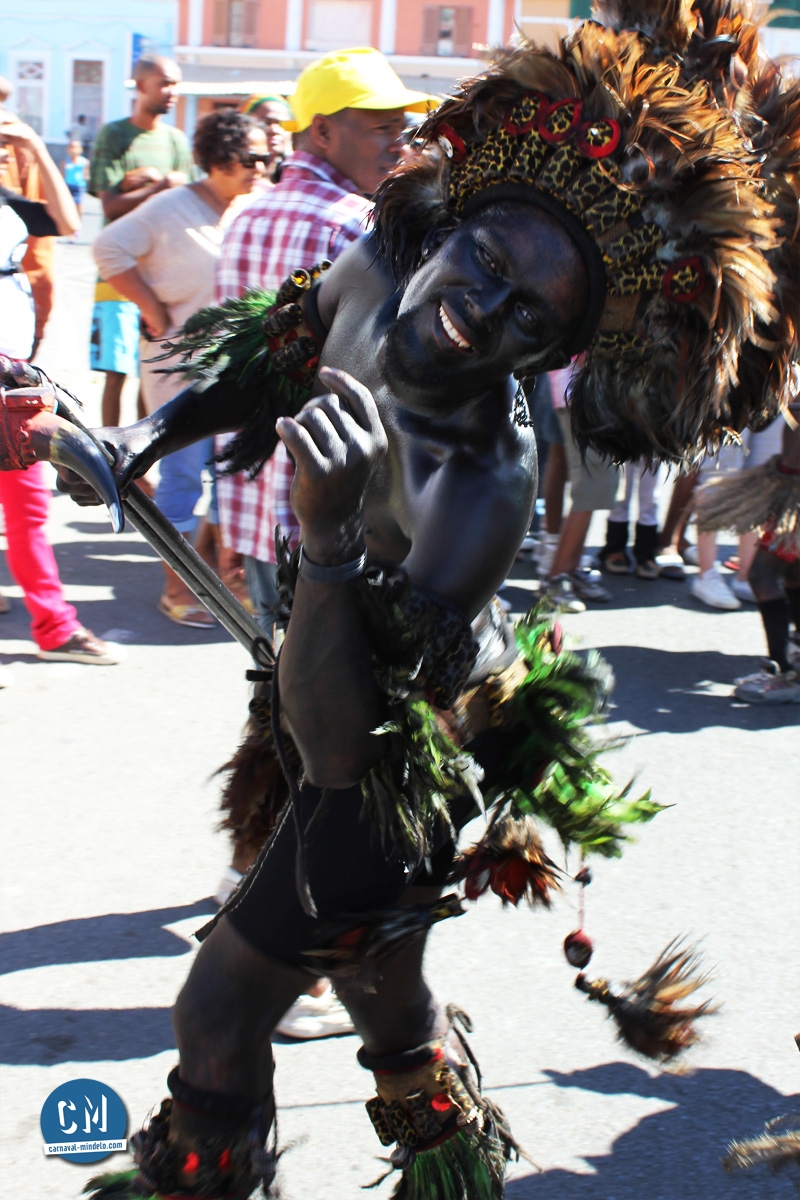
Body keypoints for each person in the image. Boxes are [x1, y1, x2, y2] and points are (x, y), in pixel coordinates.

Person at [48, 13, 798, 1194]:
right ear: (452, 224)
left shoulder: (480, 484)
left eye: (527, 320)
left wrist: (328, 539)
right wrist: (138, 439)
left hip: (392, 760)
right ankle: (451, 1155)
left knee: (219, 1008)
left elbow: (350, 751)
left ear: (553, 354)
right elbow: (273, 355)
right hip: (312, 682)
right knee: (379, 990)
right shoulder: (376, 266)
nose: (482, 311)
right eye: (487, 265)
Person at [92, 109, 269, 628]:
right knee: (184, 478)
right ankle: (176, 589)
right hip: (179, 368)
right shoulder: (170, 207)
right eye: (252, 158)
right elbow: (108, 248)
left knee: (235, 475)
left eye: (267, 157)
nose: (263, 166)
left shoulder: (251, 204)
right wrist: (150, 307)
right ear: (218, 160)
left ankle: (221, 579)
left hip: (235, 370)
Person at [0, 124, 120, 674]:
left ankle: (54, 625)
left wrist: (32, 143)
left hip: (16, 381)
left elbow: (68, 223)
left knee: (28, 508)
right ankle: (54, 624)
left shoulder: (7, 197)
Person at [88, 55, 194, 428]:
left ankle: (142, 453)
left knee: (151, 369)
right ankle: (109, 450)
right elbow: (111, 204)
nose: (172, 92)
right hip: (119, 275)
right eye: (164, 83)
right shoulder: (114, 135)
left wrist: (145, 185)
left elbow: (185, 198)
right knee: (116, 370)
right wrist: (162, 184)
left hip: (163, 274)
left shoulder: (176, 140)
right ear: (141, 85)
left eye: (176, 83)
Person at [240, 94, 293, 180]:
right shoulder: (234, 172)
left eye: (282, 124)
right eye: (266, 123)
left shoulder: (293, 174)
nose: (274, 130)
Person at [61, 138, 89, 226]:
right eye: (72, 147)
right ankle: (68, 223)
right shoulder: (65, 161)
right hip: (68, 185)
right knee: (67, 205)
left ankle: (78, 224)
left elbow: (86, 174)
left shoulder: (84, 161)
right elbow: (62, 174)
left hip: (79, 186)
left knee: (79, 205)